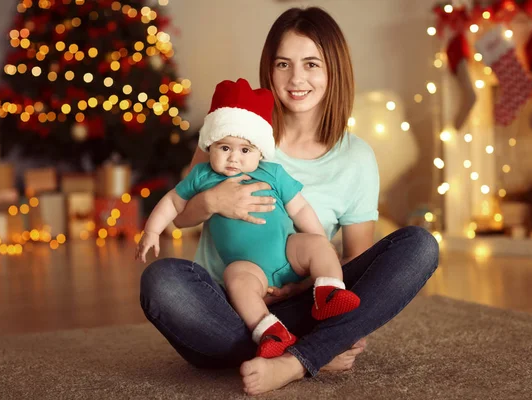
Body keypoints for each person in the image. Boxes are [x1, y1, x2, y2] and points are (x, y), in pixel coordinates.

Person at [139, 6, 439, 396]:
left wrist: (309, 292)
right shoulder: (234, 131)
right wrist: (213, 201)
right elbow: (180, 218)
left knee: (419, 246)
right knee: (161, 282)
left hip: (308, 305)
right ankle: (312, 351)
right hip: (227, 307)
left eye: (311, 63)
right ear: (270, 69)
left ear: (333, 70)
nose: (297, 78)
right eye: (284, 64)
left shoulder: (356, 158)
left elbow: (355, 261)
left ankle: (294, 360)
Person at [136, 78, 360, 359]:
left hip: (288, 252)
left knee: (317, 246)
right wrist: (152, 231)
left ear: (260, 151)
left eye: (245, 150)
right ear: (210, 145)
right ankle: (268, 330)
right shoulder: (202, 176)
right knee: (235, 279)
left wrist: (319, 241)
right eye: (224, 148)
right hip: (249, 269)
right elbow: (172, 202)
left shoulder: (273, 172)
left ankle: (328, 292)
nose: (233, 158)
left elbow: (300, 210)